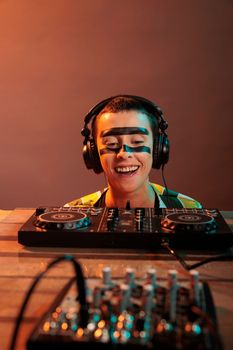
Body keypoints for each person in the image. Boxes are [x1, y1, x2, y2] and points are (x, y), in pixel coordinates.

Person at [65, 95, 201, 209]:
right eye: (112, 143)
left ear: (157, 148)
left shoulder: (189, 210)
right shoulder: (74, 214)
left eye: (137, 142)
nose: (124, 154)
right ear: (93, 153)